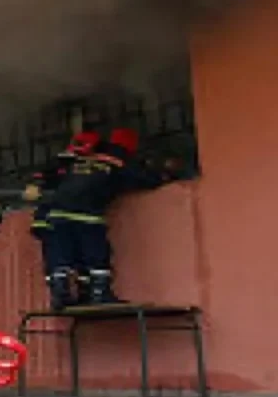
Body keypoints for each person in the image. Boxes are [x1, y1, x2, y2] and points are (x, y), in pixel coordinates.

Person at [47, 127, 175, 309]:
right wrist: (164, 176)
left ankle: (63, 295)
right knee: (96, 255)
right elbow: (143, 179)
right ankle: (99, 294)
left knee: (65, 258)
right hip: (86, 214)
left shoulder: (85, 159)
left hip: (57, 215)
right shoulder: (118, 161)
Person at [23, 131, 101, 307]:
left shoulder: (67, 165)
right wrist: (35, 185)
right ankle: (65, 295)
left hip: (57, 221)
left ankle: (70, 294)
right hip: (54, 221)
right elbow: (38, 179)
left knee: (65, 260)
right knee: (62, 259)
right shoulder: (66, 165)